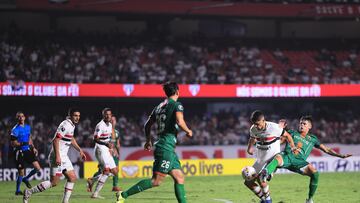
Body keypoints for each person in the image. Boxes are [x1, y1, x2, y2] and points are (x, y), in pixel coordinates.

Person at [116, 81, 193, 203]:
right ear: (178, 91)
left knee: (179, 177)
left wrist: (148, 140)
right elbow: (180, 121)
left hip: (166, 147)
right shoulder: (177, 105)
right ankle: (123, 195)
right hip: (165, 146)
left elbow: (147, 125)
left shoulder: (158, 107)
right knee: (156, 181)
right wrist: (188, 131)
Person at [260, 116, 352, 203]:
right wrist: (274, 135)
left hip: (299, 162)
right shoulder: (291, 133)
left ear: (310, 126)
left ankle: (310, 199)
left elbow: (326, 149)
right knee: (277, 157)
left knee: (315, 173)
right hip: (287, 156)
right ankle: (266, 173)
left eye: (304, 124)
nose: (301, 125)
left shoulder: (312, 139)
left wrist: (341, 156)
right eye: (300, 123)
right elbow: (279, 142)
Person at [23, 108, 86, 203]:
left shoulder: (72, 125)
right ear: (70, 116)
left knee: (72, 177)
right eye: (75, 115)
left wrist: (80, 150)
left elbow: (71, 138)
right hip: (57, 155)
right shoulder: (65, 124)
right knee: (54, 182)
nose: (77, 118)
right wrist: (57, 156)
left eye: (79, 116)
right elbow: (55, 140)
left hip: (64, 156)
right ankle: (28, 192)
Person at [244, 110, 298, 203]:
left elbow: (288, 136)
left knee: (261, 178)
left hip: (272, 159)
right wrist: (249, 149)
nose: (256, 126)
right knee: (248, 182)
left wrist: (293, 147)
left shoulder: (274, 128)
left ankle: (268, 201)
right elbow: (252, 138)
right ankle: (264, 199)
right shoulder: (253, 128)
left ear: (263, 120)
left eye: (258, 124)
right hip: (260, 160)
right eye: (254, 124)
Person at [87, 115, 121, 192]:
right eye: (111, 120)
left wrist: (118, 152)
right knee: (103, 171)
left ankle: (115, 186)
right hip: (105, 152)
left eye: (114, 120)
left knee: (115, 171)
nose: (112, 121)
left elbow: (118, 143)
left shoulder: (116, 132)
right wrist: (108, 149)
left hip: (113, 153)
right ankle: (92, 181)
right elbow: (100, 140)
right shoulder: (105, 128)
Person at [10, 111, 42, 195]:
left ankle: (26, 179)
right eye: (19, 117)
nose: (21, 118)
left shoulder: (28, 127)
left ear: (24, 117)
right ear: (17, 118)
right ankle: (17, 190)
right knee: (21, 172)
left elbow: (29, 138)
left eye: (22, 116)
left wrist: (33, 147)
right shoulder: (15, 129)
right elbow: (13, 143)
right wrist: (22, 143)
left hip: (27, 150)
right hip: (19, 151)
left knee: (38, 168)